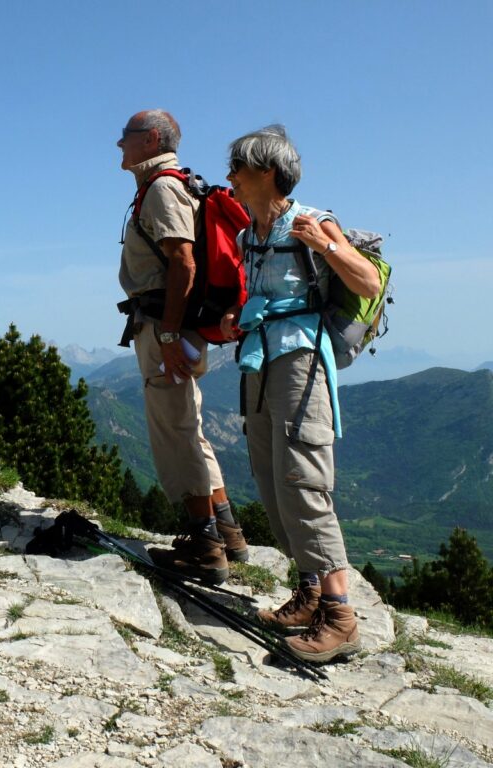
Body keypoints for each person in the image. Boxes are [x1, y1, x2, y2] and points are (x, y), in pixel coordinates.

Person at [220, 125, 382, 663]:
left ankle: (340, 619)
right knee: (270, 479)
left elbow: (367, 283)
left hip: (302, 363)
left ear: (267, 172)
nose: (230, 179)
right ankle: (310, 593)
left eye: (238, 169)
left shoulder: (310, 220)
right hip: (260, 361)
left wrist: (326, 245)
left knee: (303, 479)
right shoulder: (250, 235)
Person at [116, 109, 248, 585]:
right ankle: (227, 531)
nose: (118, 144)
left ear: (151, 139)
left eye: (126, 136)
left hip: (166, 329)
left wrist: (169, 333)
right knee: (189, 424)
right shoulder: (173, 185)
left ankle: (204, 545)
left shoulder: (163, 188)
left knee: (174, 430)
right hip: (176, 328)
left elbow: (184, 264)